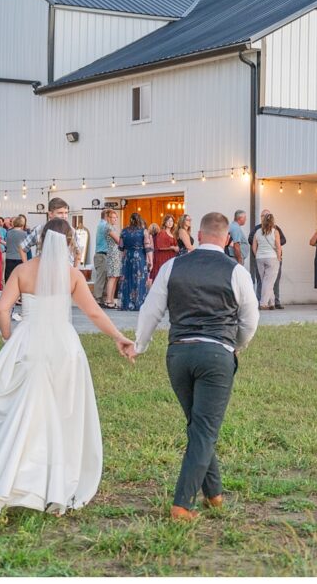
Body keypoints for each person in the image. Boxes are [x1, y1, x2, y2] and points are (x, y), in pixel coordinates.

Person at [0, 219, 135, 516]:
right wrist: (119, 337)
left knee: (25, 413)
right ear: (69, 243)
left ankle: (12, 479)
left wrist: (9, 338)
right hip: (63, 349)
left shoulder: (22, 271)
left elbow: (2, 310)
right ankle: (54, 484)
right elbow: (93, 311)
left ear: (40, 240)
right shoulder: (72, 275)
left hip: (29, 343)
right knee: (60, 415)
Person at [133, 212, 259, 521]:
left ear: (199, 236)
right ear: (227, 239)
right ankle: (182, 505)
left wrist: (140, 344)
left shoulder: (173, 266)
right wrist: (236, 346)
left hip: (178, 353)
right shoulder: (236, 270)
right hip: (216, 354)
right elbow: (250, 320)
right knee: (203, 430)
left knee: (198, 425)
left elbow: (151, 309)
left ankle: (214, 495)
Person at [20, 198, 80, 267]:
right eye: (60, 213)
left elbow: (78, 253)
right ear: (50, 214)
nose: (64, 216)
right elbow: (22, 248)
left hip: (62, 272)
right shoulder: (39, 229)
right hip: (44, 272)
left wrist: (74, 271)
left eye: (66, 213)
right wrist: (26, 266)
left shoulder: (71, 230)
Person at [250, 209, 287, 309]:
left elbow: (254, 247)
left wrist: (257, 255)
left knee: (265, 281)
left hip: (259, 258)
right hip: (272, 258)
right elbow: (278, 247)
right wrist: (279, 258)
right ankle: (263, 303)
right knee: (269, 282)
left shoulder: (257, 231)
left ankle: (271, 303)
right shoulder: (275, 232)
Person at [118, 213, 152, 311]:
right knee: (139, 279)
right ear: (140, 220)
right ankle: (139, 303)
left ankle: (127, 303)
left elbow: (121, 247)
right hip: (139, 257)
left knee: (127, 280)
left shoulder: (124, 231)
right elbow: (147, 247)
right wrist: (150, 260)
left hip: (127, 257)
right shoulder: (144, 231)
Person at [91, 209, 111, 305]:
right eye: (111, 217)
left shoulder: (101, 225)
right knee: (101, 277)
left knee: (103, 277)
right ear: (107, 216)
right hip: (101, 255)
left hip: (101, 255)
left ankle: (101, 298)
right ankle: (98, 299)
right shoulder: (104, 226)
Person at [152, 214, 180, 281]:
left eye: (172, 221)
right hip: (163, 257)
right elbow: (159, 246)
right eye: (168, 221)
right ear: (165, 222)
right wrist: (172, 247)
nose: (170, 223)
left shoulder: (173, 233)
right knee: (164, 276)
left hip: (172, 257)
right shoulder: (162, 233)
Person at [104, 210, 123, 309]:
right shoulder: (108, 227)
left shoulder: (113, 227)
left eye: (116, 217)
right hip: (112, 254)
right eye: (113, 217)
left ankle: (111, 299)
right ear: (108, 218)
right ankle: (108, 300)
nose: (115, 219)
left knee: (115, 277)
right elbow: (118, 240)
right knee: (112, 277)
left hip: (116, 254)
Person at [4, 216, 28, 280]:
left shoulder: (8, 232)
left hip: (9, 258)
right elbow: (25, 248)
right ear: (22, 223)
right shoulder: (24, 234)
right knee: (19, 277)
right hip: (20, 258)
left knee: (9, 277)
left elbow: (6, 244)